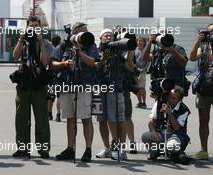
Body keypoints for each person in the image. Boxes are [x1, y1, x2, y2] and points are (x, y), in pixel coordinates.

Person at [82, 28, 135, 160]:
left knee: (117, 119)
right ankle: (107, 148)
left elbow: (129, 66)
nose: (108, 36)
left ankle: (120, 149)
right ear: (100, 38)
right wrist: (103, 59)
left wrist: (130, 48)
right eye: (105, 34)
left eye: (110, 34)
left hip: (115, 88)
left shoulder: (119, 48)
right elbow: (96, 67)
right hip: (99, 89)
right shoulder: (95, 49)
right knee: (102, 120)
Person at [51, 22, 101, 162]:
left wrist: (80, 52)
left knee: (86, 118)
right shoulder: (64, 45)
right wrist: (64, 64)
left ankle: (88, 149)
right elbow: (52, 63)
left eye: (87, 31)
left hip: (84, 86)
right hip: (67, 86)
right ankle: (70, 148)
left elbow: (95, 63)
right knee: (70, 118)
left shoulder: (90, 45)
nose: (87, 34)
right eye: (83, 32)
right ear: (74, 32)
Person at [12, 16, 53, 158]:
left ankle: (43, 149)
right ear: (27, 27)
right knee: (21, 117)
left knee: (41, 117)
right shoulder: (23, 42)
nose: (34, 28)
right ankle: (23, 148)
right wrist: (20, 39)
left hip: (39, 83)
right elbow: (15, 56)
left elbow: (45, 61)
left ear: (41, 27)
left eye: (37, 26)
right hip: (24, 82)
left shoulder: (46, 43)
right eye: (32, 26)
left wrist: (40, 42)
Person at [141, 86, 190, 165]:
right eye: (169, 97)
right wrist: (153, 131)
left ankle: (176, 153)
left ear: (179, 100)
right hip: (161, 134)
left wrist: (169, 113)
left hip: (175, 135)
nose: (170, 99)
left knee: (171, 145)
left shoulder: (184, 109)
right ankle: (161, 151)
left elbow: (177, 127)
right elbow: (151, 121)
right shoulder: (159, 103)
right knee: (145, 137)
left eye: (174, 98)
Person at [189, 23, 213, 160]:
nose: (210, 34)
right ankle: (204, 150)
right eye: (208, 32)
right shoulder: (202, 46)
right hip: (204, 88)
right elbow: (192, 57)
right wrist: (197, 40)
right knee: (203, 121)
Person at [142, 32, 190, 98]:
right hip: (160, 86)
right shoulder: (157, 51)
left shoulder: (177, 48)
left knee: (172, 107)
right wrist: (149, 43)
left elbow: (183, 63)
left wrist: (172, 51)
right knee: (160, 107)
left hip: (174, 87)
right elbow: (145, 58)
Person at [134, 36, 148, 109]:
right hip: (135, 71)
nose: (140, 42)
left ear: (144, 42)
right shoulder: (134, 50)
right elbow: (132, 61)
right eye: (138, 41)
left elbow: (148, 61)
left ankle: (144, 102)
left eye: (141, 41)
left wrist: (144, 69)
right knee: (137, 88)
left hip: (142, 72)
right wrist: (135, 68)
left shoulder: (146, 50)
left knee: (142, 87)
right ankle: (139, 102)